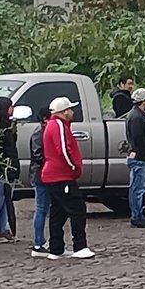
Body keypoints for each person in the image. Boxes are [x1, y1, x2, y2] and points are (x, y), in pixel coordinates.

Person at [39, 97, 93, 260]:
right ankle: (80, 246)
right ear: (64, 112)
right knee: (77, 209)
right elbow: (63, 149)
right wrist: (74, 166)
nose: (72, 112)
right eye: (70, 109)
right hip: (60, 175)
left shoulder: (54, 125)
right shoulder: (58, 126)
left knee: (58, 212)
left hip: (54, 176)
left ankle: (56, 248)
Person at [0, 96, 20, 243]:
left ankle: (3, 228)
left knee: (6, 199)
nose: (12, 109)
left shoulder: (9, 126)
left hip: (9, 167)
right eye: (10, 106)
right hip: (0, 168)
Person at [125, 88, 145, 229]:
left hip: (139, 157)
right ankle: (136, 216)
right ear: (144, 101)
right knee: (138, 189)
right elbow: (139, 139)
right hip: (141, 158)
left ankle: (137, 215)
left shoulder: (135, 115)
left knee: (136, 188)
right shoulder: (137, 118)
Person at [28, 110, 51, 258]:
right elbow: (38, 155)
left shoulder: (43, 131)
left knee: (44, 208)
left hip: (42, 174)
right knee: (41, 208)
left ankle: (41, 240)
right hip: (40, 175)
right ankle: (37, 242)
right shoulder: (39, 133)